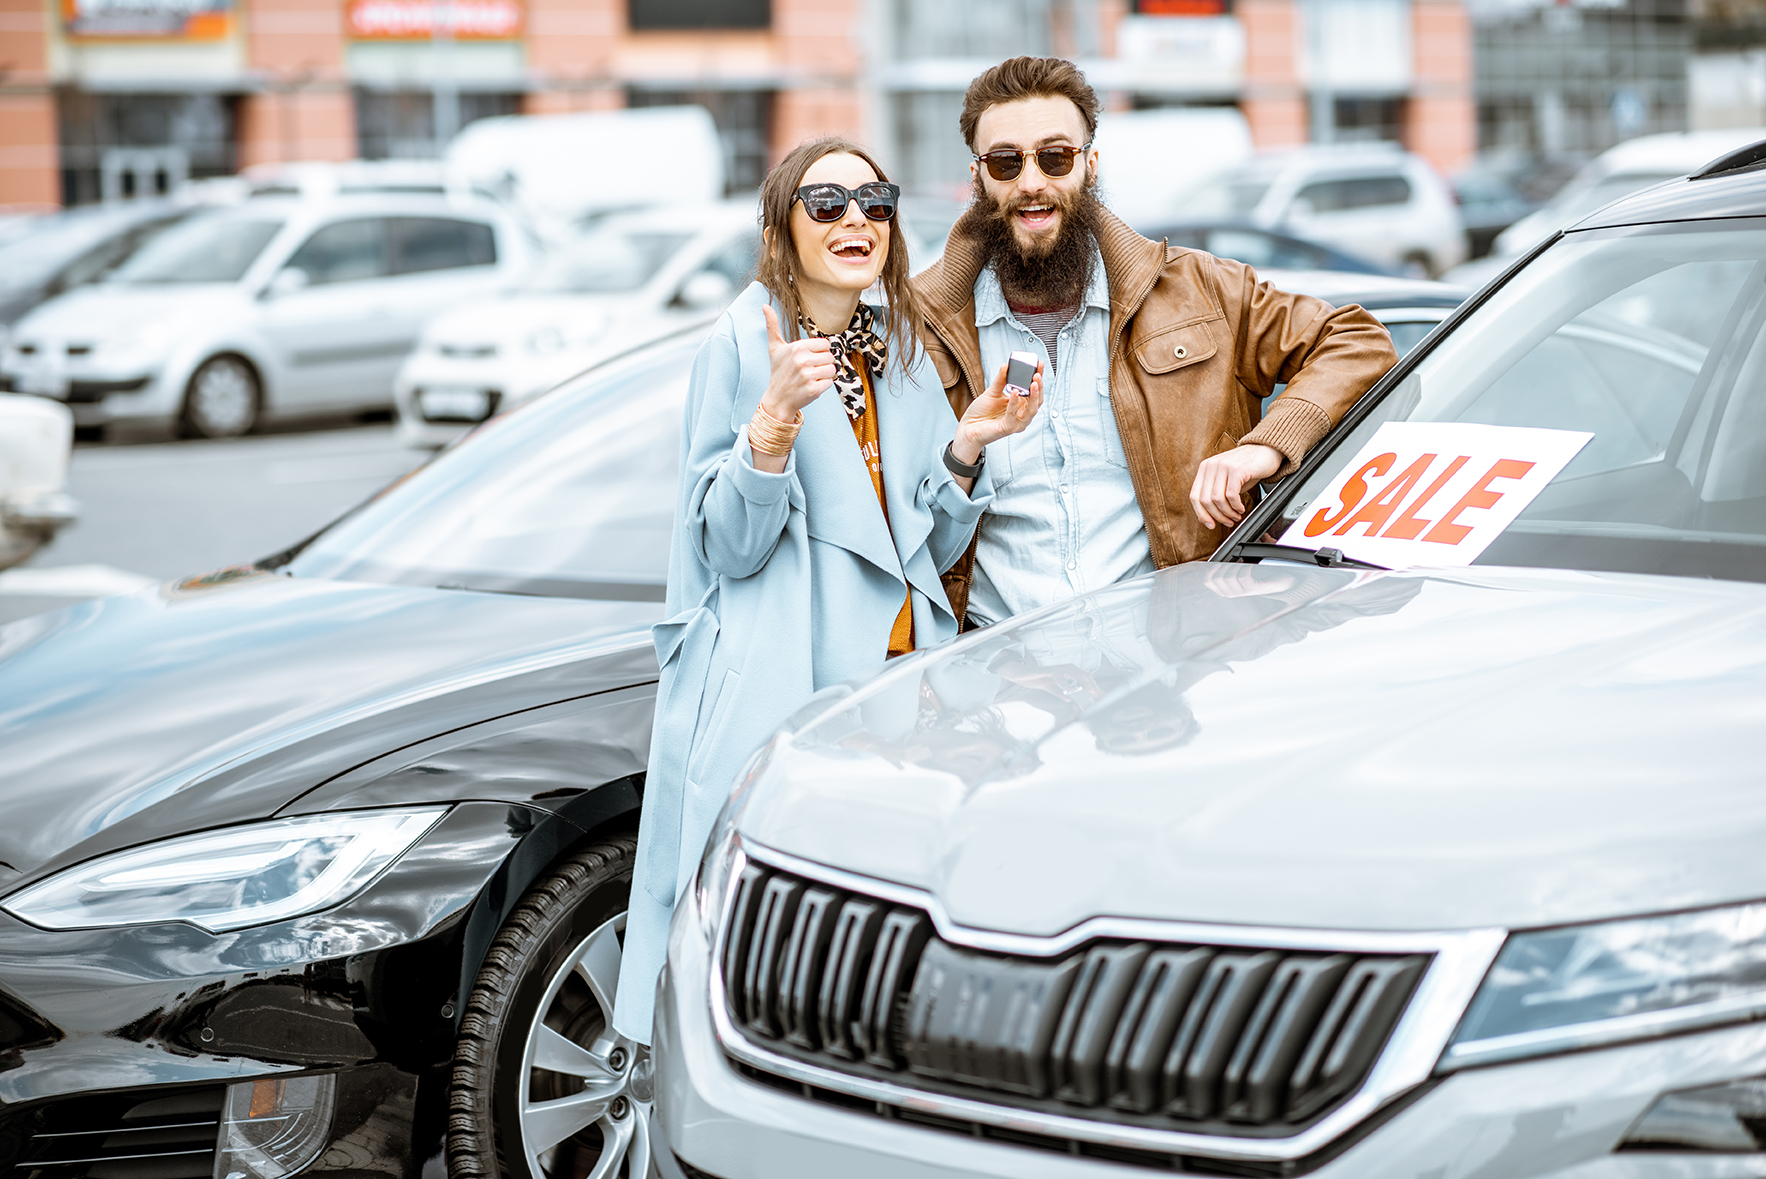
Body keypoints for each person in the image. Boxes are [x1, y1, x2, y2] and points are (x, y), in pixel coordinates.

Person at [611, 137, 1044, 1046]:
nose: (856, 219)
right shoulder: (747, 337)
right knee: (751, 959)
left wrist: (969, 445)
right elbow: (724, 545)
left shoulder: (900, 346)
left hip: (895, 693)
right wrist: (771, 424)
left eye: (874, 200)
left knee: (870, 960)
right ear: (782, 227)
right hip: (785, 683)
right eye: (827, 203)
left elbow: (921, 541)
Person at [913, 56, 1400, 628]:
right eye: (1005, 162)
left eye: (1055, 156)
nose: (1031, 182)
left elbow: (1357, 340)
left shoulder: (1199, 290)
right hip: (997, 679)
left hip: (1167, 669)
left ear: (1089, 165)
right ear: (977, 178)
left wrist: (1264, 447)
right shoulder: (916, 327)